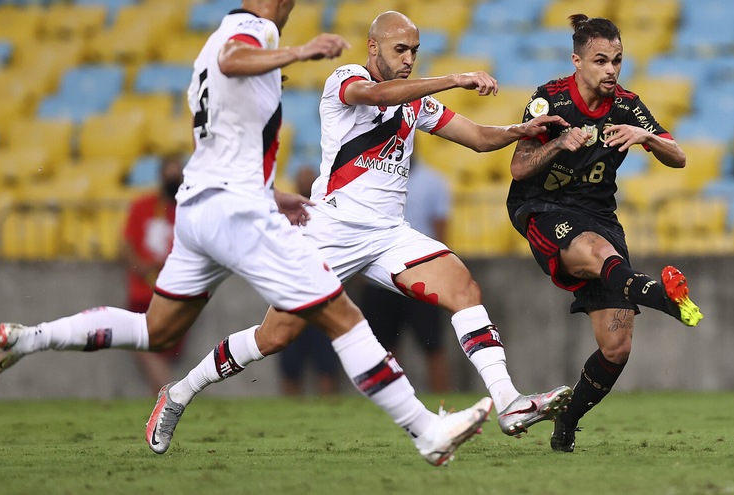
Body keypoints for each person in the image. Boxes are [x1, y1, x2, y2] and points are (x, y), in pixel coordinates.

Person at [0, 0, 491, 467]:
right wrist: (298, 51)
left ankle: (28, 338)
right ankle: (428, 431)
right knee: (343, 317)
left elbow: (225, 123)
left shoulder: (210, 44)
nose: (291, 7)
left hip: (201, 203)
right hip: (235, 212)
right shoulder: (252, 31)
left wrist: (274, 196)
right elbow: (234, 58)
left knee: (157, 329)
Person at [163, 10, 575, 442]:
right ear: (373, 46)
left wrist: (521, 130)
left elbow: (478, 138)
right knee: (275, 336)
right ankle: (179, 392)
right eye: (401, 50)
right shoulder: (345, 78)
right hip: (330, 230)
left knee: (464, 289)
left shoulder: (416, 101)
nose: (409, 58)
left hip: (386, 234)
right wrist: (455, 78)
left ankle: (508, 403)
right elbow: (378, 96)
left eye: (415, 51)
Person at [505, 14, 704, 453]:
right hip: (542, 209)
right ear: (577, 61)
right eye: (601, 61)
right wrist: (558, 142)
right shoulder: (548, 101)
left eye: (617, 60)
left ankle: (566, 423)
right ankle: (662, 297)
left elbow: (680, 157)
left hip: (599, 214)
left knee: (617, 347)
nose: (611, 69)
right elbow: (518, 167)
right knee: (596, 252)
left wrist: (645, 137)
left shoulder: (627, 105)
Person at [359, 159, 452, 393]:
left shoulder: (433, 181)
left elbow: (440, 230)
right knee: (384, 347)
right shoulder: (370, 179)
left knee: (433, 345)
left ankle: (442, 397)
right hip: (380, 278)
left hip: (420, 276)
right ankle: (397, 399)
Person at [122, 154, 185, 395]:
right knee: (144, 345)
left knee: (158, 349)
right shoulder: (142, 206)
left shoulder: (186, 210)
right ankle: (167, 396)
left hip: (172, 292)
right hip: (142, 290)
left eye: (176, 174)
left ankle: (166, 396)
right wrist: (140, 265)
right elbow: (125, 244)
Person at [277, 165, 341, 396]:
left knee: (326, 362)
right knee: (290, 362)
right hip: (293, 294)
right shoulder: (281, 215)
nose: (305, 184)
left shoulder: (328, 213)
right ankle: (292, 411)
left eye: (308, 179)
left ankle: (329, 411)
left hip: (322, 296)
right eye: (301, 179)